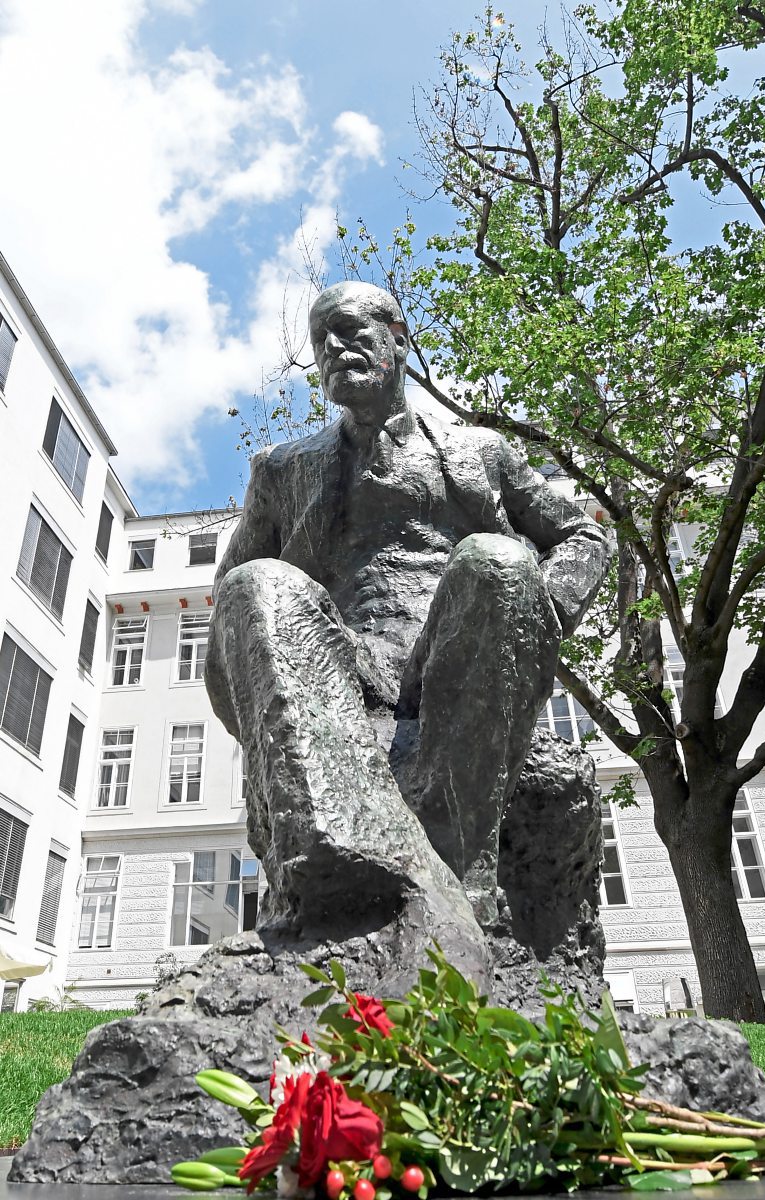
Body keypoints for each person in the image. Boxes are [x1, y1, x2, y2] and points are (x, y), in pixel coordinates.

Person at [205, 282, 609, 973]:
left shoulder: (478, 450)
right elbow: (231, 600)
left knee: (496, 560)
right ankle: (331, 869)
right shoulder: (282, 469)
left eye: (349, 330)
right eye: (319, 339)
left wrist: (537, 614)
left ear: (398, 337)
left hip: (453, 656)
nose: (332, 348)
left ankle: (459, 874)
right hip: (337, 670)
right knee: (255, 582)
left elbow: (582, 538)